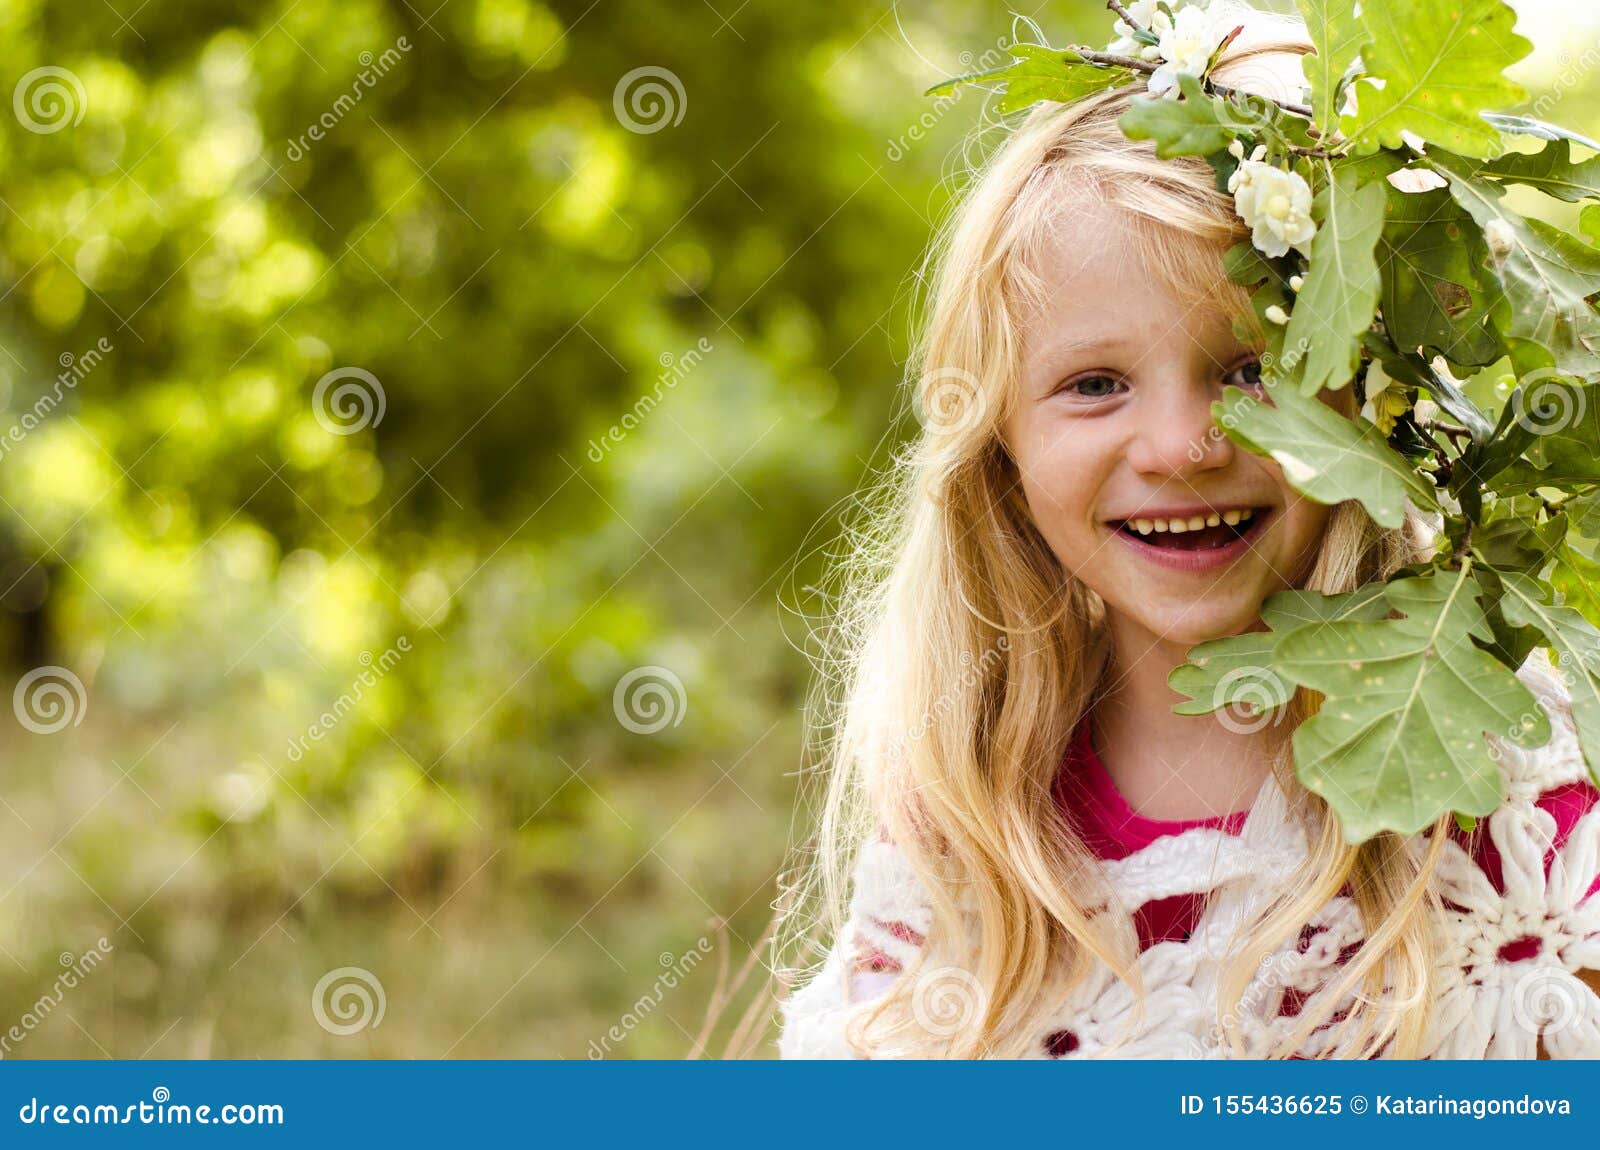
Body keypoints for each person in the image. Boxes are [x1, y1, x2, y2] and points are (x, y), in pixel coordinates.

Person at [776, 3, 1600, 1059]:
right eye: (1094, 383)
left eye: (1252, 370)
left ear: (1368, 405)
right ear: (1001, 448)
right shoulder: (969, 832)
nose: (1180, 444)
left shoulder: (1526, 798)